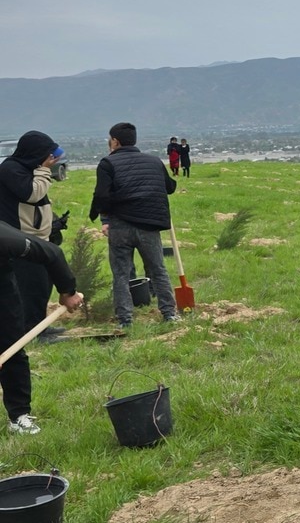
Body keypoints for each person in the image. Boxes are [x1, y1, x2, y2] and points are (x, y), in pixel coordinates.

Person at [89, 122, 179, 327]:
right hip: (149, 225)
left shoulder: (107, 164)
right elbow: (170, 187)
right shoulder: (154, 162)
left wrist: (99, 213)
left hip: (120, 227)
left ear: (115, 141)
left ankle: (125, 320)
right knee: (158, 270)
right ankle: (169, 314)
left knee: (121, 274)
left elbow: (102, 195)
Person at [0, 221, 83, 434]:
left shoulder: (6, 239)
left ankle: (18, 416)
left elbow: (51, 253)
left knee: (11, 347)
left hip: (2, 291)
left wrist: (68, 290)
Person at [0, 132, 64, 335]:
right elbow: (32, 193)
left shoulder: (27, 169)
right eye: (47, 154)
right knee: (32, 287)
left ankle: (40, 325)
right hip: (23, 237)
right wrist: (44, 170)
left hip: (37, 236)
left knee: (44, 283)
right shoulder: (11, 169)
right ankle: (34, 332)